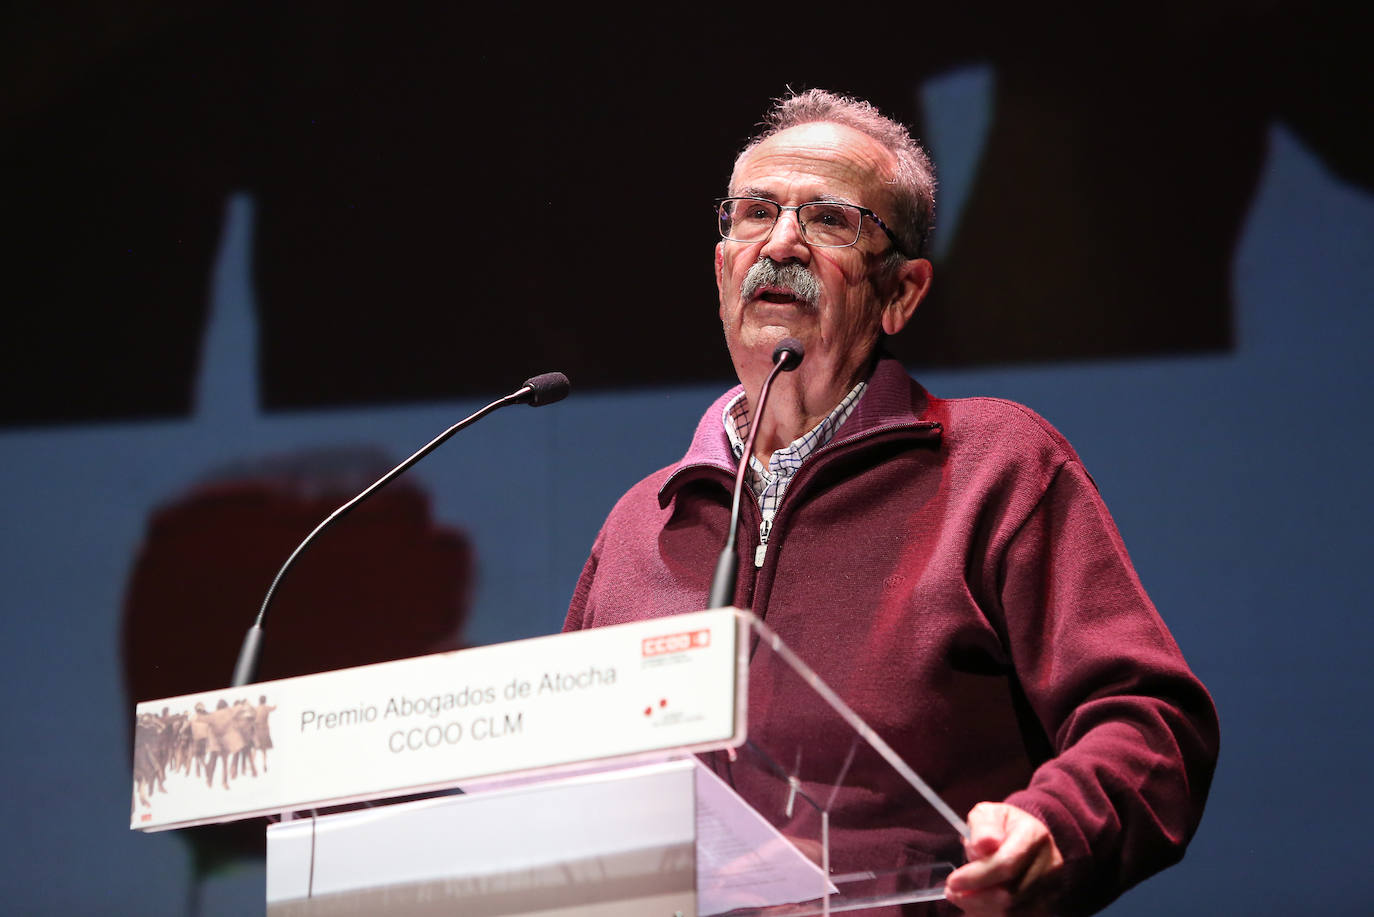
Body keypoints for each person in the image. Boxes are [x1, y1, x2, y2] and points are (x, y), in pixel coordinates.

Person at [563, 89, 1218, 915]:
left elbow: (1152, 721)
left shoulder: (996, 467)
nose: (782, 241)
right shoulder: (638, 524)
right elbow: (567, 791)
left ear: (902, 293)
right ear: (722, 265)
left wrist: (1049, 827)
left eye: (831, 219)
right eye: (755, 212)